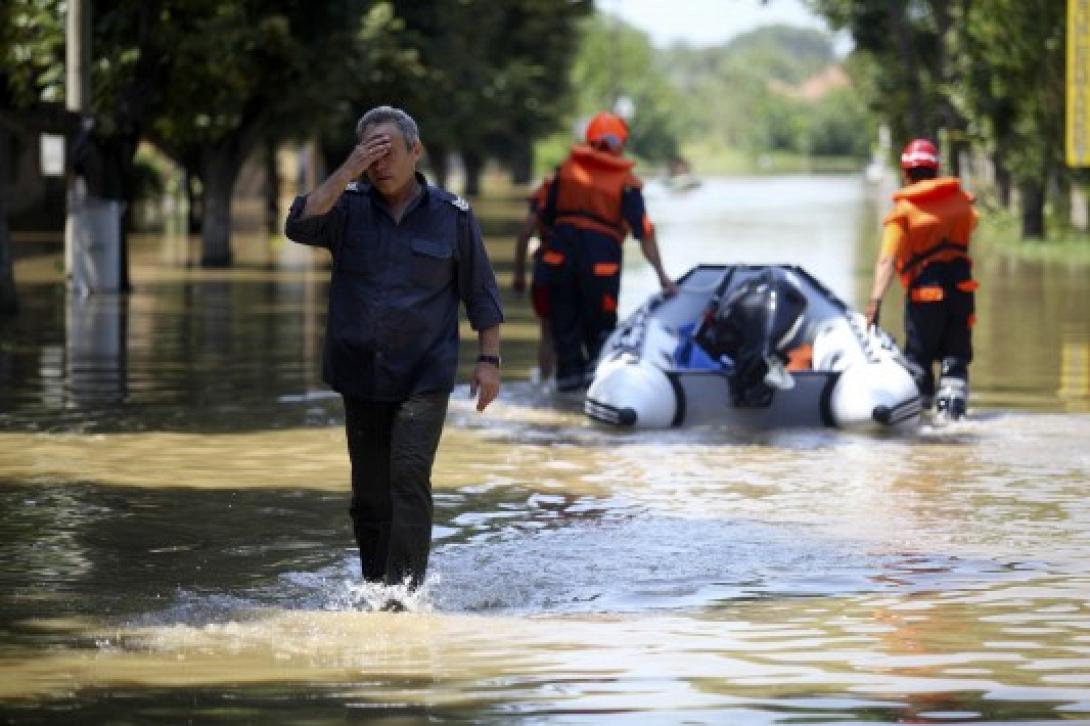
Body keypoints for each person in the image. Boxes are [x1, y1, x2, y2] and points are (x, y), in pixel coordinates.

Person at [284, 105, 504, 595]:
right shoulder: (345, 207)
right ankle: (375, 585)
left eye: (389, 151)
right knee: (369, 496)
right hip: (359, 373)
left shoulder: (452, 217)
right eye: (371, 152)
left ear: (415, 151)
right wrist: (347, 169)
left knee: (408, 477)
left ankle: (404, 594)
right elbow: (299, 225)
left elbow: (481, 292)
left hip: (424, 375)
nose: (380, 163)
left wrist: (488, 361)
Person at [542, 111, 678, 391]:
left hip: (560, 257)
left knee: (564, 328)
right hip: (600, 262)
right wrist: (663, 276)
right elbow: (644, 233)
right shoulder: (625, 182)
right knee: (599, 332)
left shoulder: (566, 170)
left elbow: (545, 219)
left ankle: (563, 396)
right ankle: (598, 393)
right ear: (620, 144)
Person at [864, 138, 979, 420]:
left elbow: (887, 260)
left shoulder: (902, 213)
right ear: (937, 171)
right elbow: (970, 227)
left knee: (918, 364)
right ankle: (953, 419)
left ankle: (919, 424)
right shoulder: (962, 204)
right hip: (962, 293)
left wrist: (875, 301)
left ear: (906, 173)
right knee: (955, 361)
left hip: (925, 298)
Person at [512, 175, 555, 381]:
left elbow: (525, 233)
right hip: (577, 271)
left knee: (546, 332)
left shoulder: (544, 194)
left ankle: (547, 382)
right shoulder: (586, 196)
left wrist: (519, 274)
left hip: (546, 269)